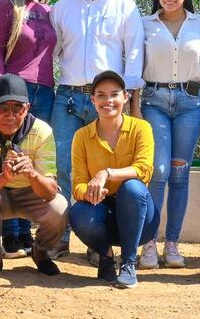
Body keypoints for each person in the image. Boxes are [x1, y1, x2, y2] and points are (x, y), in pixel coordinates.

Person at [49, 0, 144, 256]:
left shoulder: (126, 7)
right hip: (68, 96)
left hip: (106, 101)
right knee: (63, 166)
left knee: (100, 169)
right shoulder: (61, 8)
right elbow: (53, 52)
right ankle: (60, 238)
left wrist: (129, 101)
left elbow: (134, 55)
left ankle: (95, 242)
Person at [0, 73, 67, 277]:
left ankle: (41, 253)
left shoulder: (42, 132)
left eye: (17, 108)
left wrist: (33, 174)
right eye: (2, 108)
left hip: (29, 193)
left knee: (60, 206)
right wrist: (3, 177)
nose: (10, 116)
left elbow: (51, 191)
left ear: (26, 109)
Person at [0, 0, 57, 256]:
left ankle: (26, 230)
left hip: (46, 91)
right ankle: (11, 232)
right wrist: (0, 93)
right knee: (9, 154)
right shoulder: (8, 6)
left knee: (33, 158)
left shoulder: (52, 10)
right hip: (16, 91)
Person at [137, 0, 200, 270]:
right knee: (160, 170)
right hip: (154, 100)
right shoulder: (145, 25)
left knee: (181, 172)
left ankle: (173, 244)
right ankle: (148, 244)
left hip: (190, 102)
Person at [68, 70, 157, 288]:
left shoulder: (141, 128)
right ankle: (106, 256)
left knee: (133, 189)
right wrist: (89, 191)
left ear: (125, 97)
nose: (108, 101)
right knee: (79, 212)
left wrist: (106, 173)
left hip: (139, 215)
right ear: (92, 100)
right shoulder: (81, 136)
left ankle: (128, 263)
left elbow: (144, 169)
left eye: (114, 94)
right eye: (101, 95)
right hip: (101, 210)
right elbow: (78, 183)